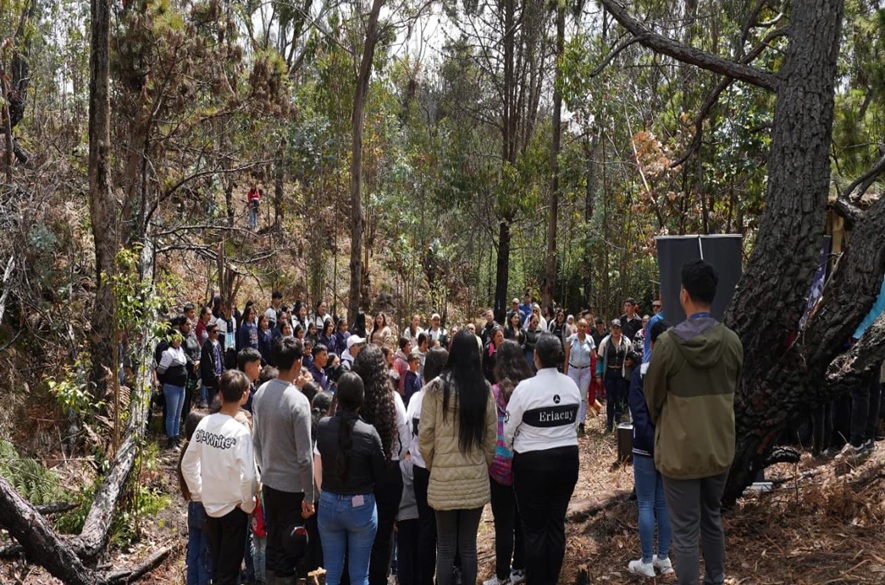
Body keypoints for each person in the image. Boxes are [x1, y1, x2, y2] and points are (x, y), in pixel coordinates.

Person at [644, 259, 743, 585]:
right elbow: (735, 391)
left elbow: (652, 398)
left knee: (684, 531)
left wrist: (670, 424)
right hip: (718, 450)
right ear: (712, 296)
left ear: (684, 295)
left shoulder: (669, 346)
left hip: (680, 453)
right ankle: (716, 579)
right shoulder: (731, 342)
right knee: (712, 519)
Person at [419, 330, 497, 585]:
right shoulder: (483, 389)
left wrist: (436, 465)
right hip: (474, 478)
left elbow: (425, 437)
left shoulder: (434, 389)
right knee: (468, 547)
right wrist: (480, 464)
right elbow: (491, 436)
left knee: (445, 549)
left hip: (443, 480)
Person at [503, 333, 580, 585]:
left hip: (532, 465)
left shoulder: (525, 389)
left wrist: (518, 448)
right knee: (556, 525)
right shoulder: (571, 386)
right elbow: (574, 422)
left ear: (535, 357)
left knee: (534, 530)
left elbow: (508, 429)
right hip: (567, 462)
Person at [181, 370, 257, 585]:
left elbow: (188, 463)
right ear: (245, 395)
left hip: (210, 507)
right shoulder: (239, 431)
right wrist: (247, 503)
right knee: (228, 571)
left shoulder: (205, 424)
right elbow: (248, 476)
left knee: (217, 567)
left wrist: (200, 492)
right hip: (234, 509)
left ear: (220, 395)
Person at [252, 337, 316, 585]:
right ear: (298, 363)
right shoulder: (298, 401)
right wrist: (309, 496)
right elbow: (304, 456)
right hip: (292, 487)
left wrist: (264, 469)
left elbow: (256, 440)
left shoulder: (261, 393)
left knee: (274, 542)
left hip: (269, 482)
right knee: (289, 547)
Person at [316, 372, 386, 585]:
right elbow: (380, 473)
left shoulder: (323, 426)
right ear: (361, 398)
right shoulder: (369, 432)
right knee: (359, 576)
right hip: (361, 507)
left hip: (328, 503)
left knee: (332, 575)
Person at [352, 344, 410, 585]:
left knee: (357, 533)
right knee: (384, 533)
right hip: (389, 474)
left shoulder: (352, 397)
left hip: (359, 474)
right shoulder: (393, 399)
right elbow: (405, 440)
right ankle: (378, 579)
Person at [627, 319, 673, 578]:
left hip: (645, 447)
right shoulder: (676, 373)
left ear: (652, 343)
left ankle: (647, 560)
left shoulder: (641, 373)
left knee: (646, 503)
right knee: (663, 504)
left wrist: (649, 439)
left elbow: (638, 411)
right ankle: (664, 558)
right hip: (668, 445)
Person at [484, 340, 530, 585]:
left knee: (503, 523)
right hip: (524, 460)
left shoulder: (493, 392)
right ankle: (520, 567)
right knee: (522, 519)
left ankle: (502, 575)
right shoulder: (529, 388)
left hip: (499, 464)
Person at [406, 347, 448, 585]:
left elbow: (405, 434)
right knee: (446, 528)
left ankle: (425, 579)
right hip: (443, 469)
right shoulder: (450, 397)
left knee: (426, 526)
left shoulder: (416, 398)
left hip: (421, 468)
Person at [596, 319, 633, 433]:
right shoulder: (605, 342)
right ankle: (609, 424)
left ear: (621, 329)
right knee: (610, 399)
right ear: (611, 329)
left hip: (621, 374)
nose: (616, 330)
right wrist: (598, 374)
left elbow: (631, 355)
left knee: (619, 399)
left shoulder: (626, 341)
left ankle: (619, 423)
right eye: (614, 328)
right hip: (609, 374)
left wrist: (630, 361)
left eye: (618, 328)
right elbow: (600, 360)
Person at [564, 318, 596, 436]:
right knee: (573, 396)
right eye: (580, 326)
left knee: (583, 397)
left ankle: (581, 423)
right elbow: (566, 358)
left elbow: (594, 356)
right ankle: (573, 422)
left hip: (585, 371)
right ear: (577, 326)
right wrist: (565, 373)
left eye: (584, 326)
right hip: (573, 370)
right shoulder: (571, 339)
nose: (582, 328)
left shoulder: (590, 339)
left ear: (587, 328)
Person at [158, 332, 189, 449]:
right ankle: (170, 439)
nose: (178, 340)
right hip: (172, 387)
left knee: (178, 414)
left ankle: (176, 436)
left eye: (180, 338)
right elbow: (161, 369)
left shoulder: (180, 350)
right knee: (171, 414)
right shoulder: (168, 352)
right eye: (176, 338)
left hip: (182, 387)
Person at [200, 321, 224, 407]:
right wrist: (216, 377)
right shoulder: (206, 346)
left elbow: (221, 359)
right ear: (208, 332)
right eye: (214, 331)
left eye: (218, 331)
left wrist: (222, 373)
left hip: (220, 375)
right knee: (213, 402)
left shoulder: (218, 344)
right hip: (212, 379)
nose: (217, 333)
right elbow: (208, 365)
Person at [643, 299, 664, 364]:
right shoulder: (652, 320)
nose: (655, 308)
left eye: (658, 306)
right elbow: (648, 341)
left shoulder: (654, 320)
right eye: (654, 306)